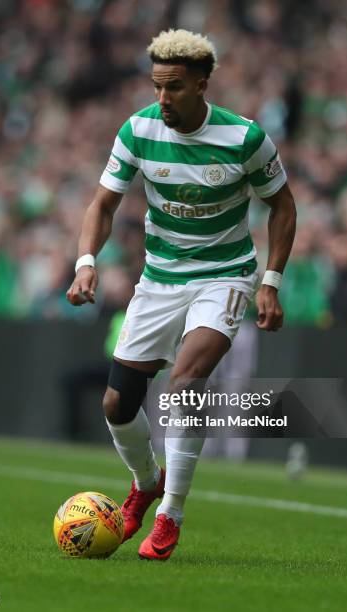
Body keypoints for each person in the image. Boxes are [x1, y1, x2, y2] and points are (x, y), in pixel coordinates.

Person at [66, 29, 296, 561]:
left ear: (201, 85)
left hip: (225, 275)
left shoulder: (244, 138)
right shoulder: (138, 130)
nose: (162, 99)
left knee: (185, 381)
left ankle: (169, 515)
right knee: (117, 403)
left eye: (173, 88)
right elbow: (103, 204)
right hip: (159, 278)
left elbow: (283, 206)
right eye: (156, 87)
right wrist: (85, 263)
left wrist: (271, 280)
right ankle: (144, 484)